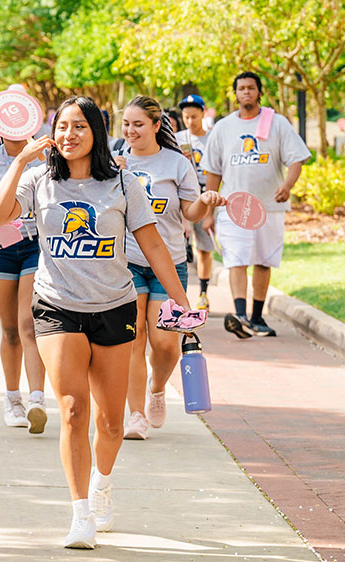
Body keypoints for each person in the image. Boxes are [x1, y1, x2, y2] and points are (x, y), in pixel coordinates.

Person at [0, 96, 190, 549]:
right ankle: (80, 513)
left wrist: (182, 304)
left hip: (114, 307)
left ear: (96, 132)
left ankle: (101, 483)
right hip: (57, 306)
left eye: (80, 126)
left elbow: (155, 247)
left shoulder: (122, 183)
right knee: (74, 410)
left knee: (112, 422)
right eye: (62, 126)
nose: (68, 135)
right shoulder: (39, 180)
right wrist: (19, 160)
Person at [113, 96, 224, 441]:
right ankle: (135, 415)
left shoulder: (176, 163)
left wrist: (204, 203)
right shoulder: (117, 162)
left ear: (157, 126)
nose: (131, 131)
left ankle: (157, 388)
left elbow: (189, 213)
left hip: (170, 262)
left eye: (138, 124)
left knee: (164, 345)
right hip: (127, 262)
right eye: (127, 125)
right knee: (134, 339)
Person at [203, 71, 311, 338]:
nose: (246, 93)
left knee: (264, 261)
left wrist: (287, 186)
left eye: (251, 88)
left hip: (269, 207)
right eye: (241, 88)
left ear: (259, 92)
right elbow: (212, 172)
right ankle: (240, 316)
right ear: (236, 94)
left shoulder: (276, 123)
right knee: (236, 259)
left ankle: (257, 317)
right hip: (232, 207)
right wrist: (209, 212)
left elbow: (297, 158)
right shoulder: (223, 127)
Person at [0, 126, 48, 433]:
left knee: (29, 323)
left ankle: (37, 399)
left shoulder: (45, 159)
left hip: (36, 246)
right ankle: (12, 398)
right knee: (10, 329)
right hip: (0, 249)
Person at [176, 94, 215, 310]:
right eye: (186, 117)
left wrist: (209, 211)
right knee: (181, 243)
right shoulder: (178, 138)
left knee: (203, 247)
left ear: (203, 113)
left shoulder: (212, 139)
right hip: (182, 193)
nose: (190, 121)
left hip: (205, 193)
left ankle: (203, 293)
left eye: (194, 116)